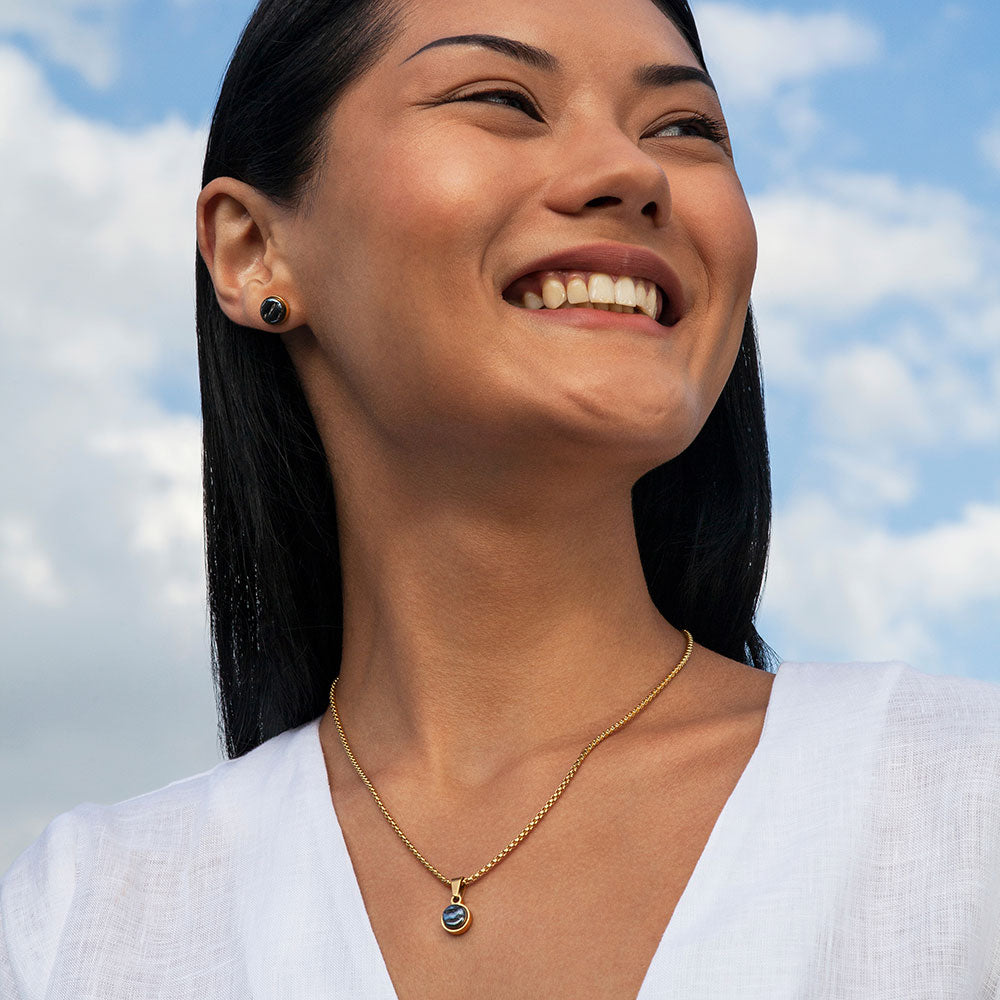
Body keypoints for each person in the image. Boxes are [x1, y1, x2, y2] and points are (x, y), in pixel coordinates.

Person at [2, 0, 999, 996]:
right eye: (503, 99)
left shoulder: (964, 797)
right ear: (251, 249)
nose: (630, 172)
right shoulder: (83, 919)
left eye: (684, 127)